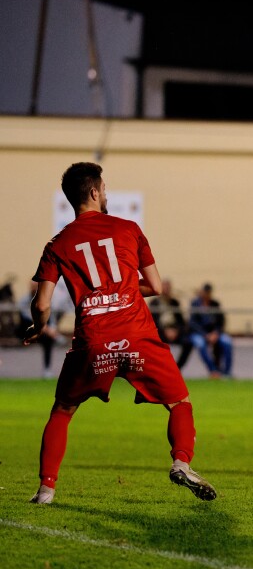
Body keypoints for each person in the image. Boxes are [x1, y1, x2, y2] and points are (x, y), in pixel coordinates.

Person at [23, 162, 216, 505]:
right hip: (137, 333)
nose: (106, 194)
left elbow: (42, 305)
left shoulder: (57, 244)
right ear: (95, 192)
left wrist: (39, 329)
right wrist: (123, 290)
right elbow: (155, 286)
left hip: (93, 339)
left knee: (63, 411)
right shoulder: (129, 228)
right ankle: (181, 462)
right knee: (179, 403)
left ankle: (46, 490)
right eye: (105, 189)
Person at [17, 280, 65, 378]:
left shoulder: (47, 301)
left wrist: (52, 329)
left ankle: (47, 369)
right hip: (26, 330)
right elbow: (30, 319)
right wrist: (50, 331)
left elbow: (51, 318)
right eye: (33, 286)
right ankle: (56, 337)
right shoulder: (24, 301)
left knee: (48, 340)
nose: (35, 289)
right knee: (38, 326)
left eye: (36, 286)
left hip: (41, 332)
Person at [188, 283, 234, 378]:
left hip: (214, 333)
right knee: (200, 343)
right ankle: (213, 370)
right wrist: (205, 335)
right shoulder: (195, 304)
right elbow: (193, 323)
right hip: (200, 333)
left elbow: (221, 322)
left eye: (208, 292)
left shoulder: (215, 304)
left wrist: (216, 333)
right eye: (205, 292)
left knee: (227, 342)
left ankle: (227, 373)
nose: (206, 294)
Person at [149, 277, 192, 368]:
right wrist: (164, 331)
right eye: (164, 287)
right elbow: (152, 321)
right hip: (160, 331)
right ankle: (160, 367)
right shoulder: (154, 303)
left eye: (168, 288)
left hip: (175, 330)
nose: (166, 290)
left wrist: (176, 331)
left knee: (188, 342)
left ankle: (177, 367)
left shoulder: (174, 302)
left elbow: (181, 321)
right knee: (153, 345)